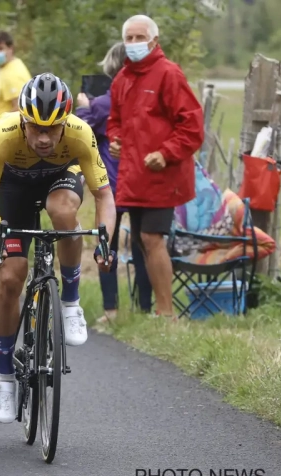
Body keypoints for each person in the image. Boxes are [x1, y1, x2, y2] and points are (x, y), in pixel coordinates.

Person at [0, 73, 116, 423]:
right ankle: (5, 376)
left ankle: (70, 302)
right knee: (11, 277)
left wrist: (106, 243)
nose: (44, 137)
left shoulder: (80, 133)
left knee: (63, 211)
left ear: (66, 122)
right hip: (12, 190)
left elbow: (104, 195)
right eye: (35, 128)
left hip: (58, 179)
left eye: (53, 129)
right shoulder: (4, 133)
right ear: (23, 120)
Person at [107, 15, 204, 318]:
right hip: (133, 176)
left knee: (152, 238)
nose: (134, 44)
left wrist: (166, 153)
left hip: (163, 175)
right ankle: (157, 311)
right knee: (140, 239)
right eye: (130, 38)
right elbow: (115, 121)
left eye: (140, 38)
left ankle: (166, 313)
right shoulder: (122, 79)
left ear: (154, 41)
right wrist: (115, 139)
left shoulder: (169, 74)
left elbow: (192, 126)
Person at [75, 41, 152, 322]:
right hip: (142, 183)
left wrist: (86, 105)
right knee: (144, 248)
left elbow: (80, 126)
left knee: (106, 246)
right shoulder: (144, 98)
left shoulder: (104, 103)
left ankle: (111, 311)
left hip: (113, 187)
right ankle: (145, 308)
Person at [0, 30, 31, 129]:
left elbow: (21, 108)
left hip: (11, 133)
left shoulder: (13, 73)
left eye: (0, 49)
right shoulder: (5, 67)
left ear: (10, 49)